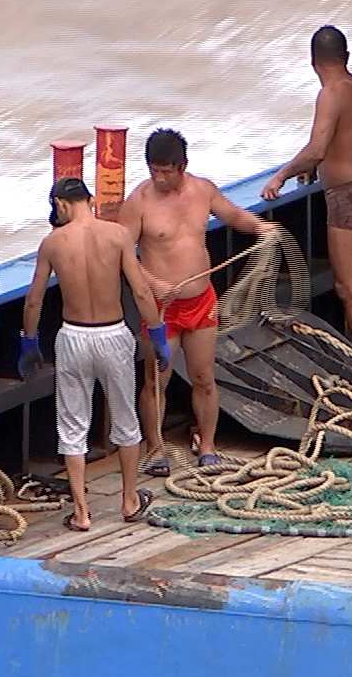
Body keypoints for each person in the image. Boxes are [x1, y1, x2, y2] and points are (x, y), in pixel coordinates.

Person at [115, 128, 279, 472]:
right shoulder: (138, 202)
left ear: (182, 165)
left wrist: (261, 228)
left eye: (166, 171)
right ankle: (155, 449)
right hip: (161, 310)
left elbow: (234, 216)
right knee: (156, 380)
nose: (159, 178)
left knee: (204, 376)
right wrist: (153, 282)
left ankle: (207, 445)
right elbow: (123, 256)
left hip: (201, 301)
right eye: (153, 170)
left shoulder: (202, 190)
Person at [20, 177, 170, 531]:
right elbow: (141, 290)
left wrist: (28, 341)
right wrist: (158, 334)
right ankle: (130, 501)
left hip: (73, 336)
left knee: (73, 426)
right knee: (125, 421)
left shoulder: (53, 243)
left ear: (60, 203)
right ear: (90, 200)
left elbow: (34, 300)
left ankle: (82, 512)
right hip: (114, 334)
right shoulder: (117, 235)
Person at [261, 25, 352, 358]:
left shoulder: (330, 93)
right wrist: (318, 164)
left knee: (349, 288)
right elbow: (350, 139)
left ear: (314, 62)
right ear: (346, 57)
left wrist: (282, 175)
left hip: (348, 199)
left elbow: (317, 148)